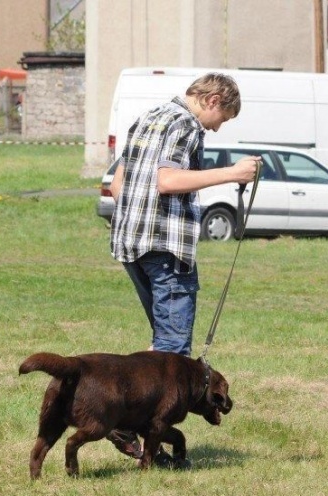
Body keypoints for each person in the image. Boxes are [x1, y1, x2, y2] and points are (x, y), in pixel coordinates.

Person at [105, 72, 260, 463]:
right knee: (173, 352)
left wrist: (138, 216)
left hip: (133, 243)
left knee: (161, 347)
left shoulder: (148, 117)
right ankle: (126, 421)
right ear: (212, 100)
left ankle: (125, 413)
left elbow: (117, 183)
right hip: (165, 248)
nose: (220, 125)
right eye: (224, 116)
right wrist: (232, 174)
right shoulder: (185, 125)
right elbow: (167, 180)